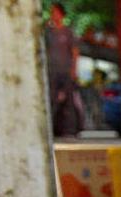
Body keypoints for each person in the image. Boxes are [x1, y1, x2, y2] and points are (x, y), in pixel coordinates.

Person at [45, 2, 83, 137]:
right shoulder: (48, 33)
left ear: (61, 14)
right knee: (52, 100)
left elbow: (75, 52)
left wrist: (74, 70)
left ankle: (69, 130)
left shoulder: (68, 32)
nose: (52, 15)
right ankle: (53, 128)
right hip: (51, 72)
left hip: (66, 71)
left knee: (68, 101)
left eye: (54, 12)